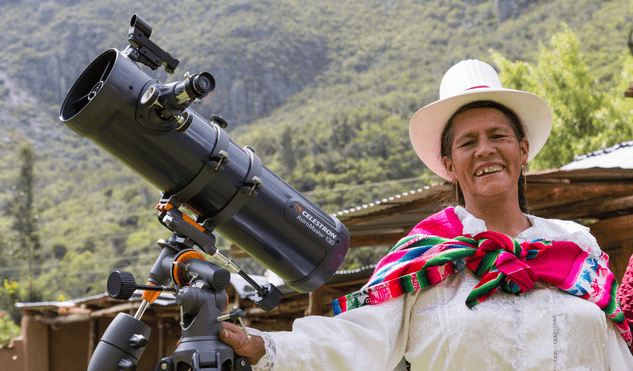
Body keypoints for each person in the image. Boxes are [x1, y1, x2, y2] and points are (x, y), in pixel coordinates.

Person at [219, 59, 633, 370]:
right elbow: (359, 337)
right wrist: (264, 346)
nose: (485, 149)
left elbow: (615, 351)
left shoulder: (575, 246)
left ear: (522, 150)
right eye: (467, 142)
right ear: (449, 164)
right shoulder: (423, 256)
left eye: (498, 135)